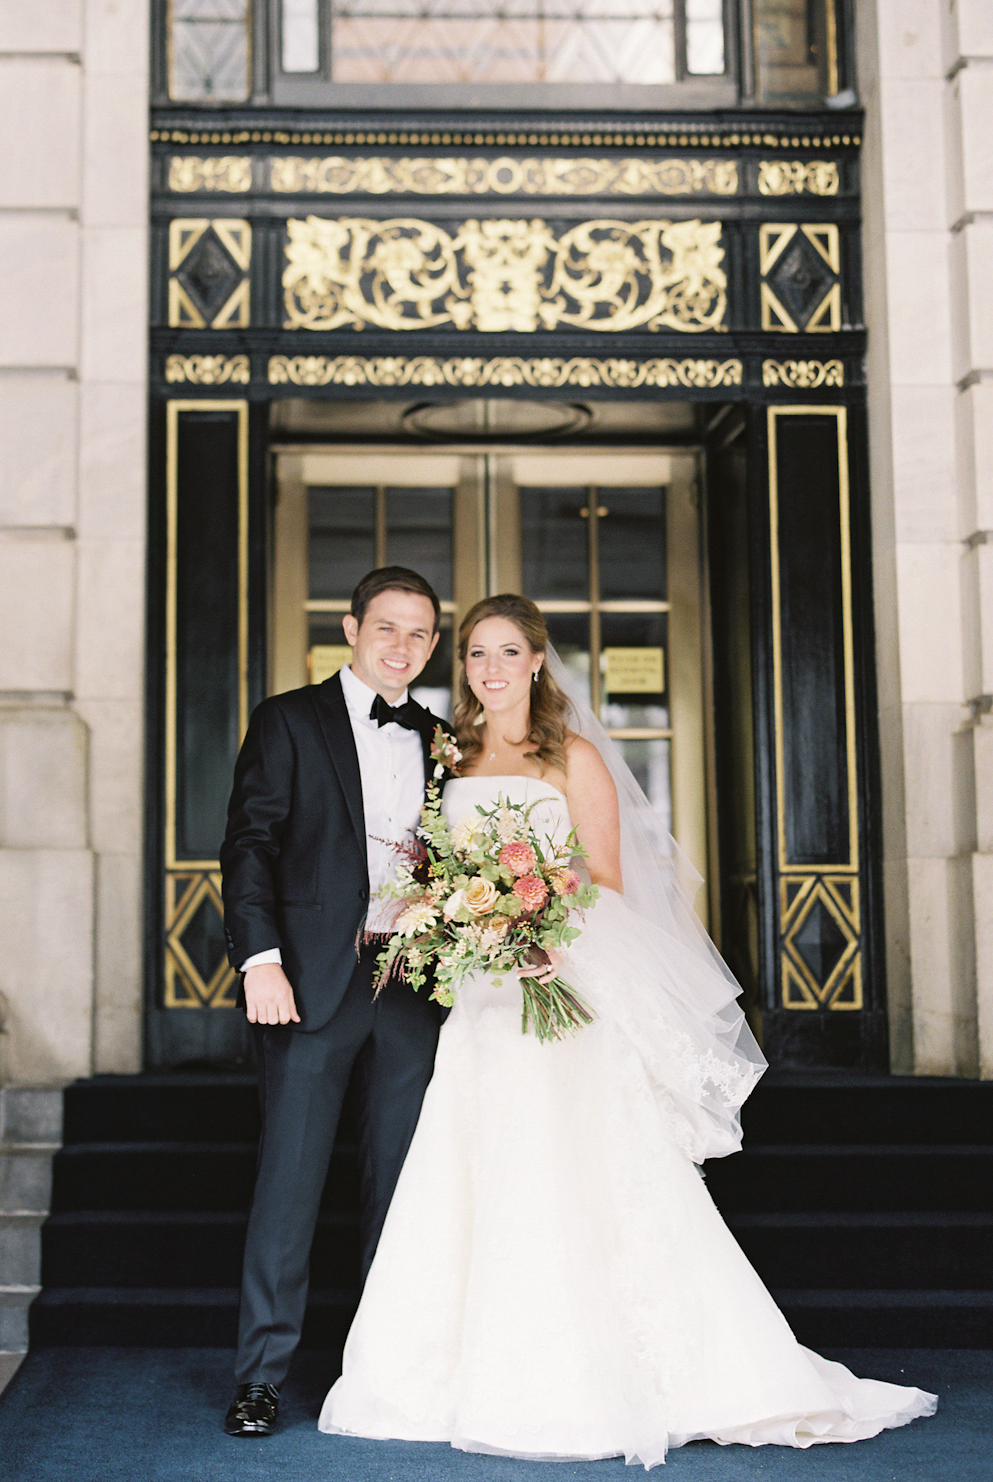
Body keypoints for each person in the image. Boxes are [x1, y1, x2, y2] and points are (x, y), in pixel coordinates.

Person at [319, 594, 937, 1469]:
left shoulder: (572, 757)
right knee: (478, 1172)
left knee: (571, 1176)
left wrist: (527, 928)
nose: (490, 670)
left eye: (507, 653)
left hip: (557, 992)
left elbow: (603, 878)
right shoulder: (450, 757)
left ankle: (610, 1378)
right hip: (482, 1009)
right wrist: (461, 918)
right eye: (475, 655)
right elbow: (436, 867)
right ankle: (456, 1375)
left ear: (538, 661)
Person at [220, 566, 453, 1438]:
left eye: (420, 633)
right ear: (351, 628)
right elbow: (248, 846)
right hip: (307, 983)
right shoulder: (287, 719)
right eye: (387, 627)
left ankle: (384, 1373)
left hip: (413, 987)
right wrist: (261, 962)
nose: (403, 646)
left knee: (400, 1185)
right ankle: (260, 1379)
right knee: (289, 1185)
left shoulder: (442, 735)